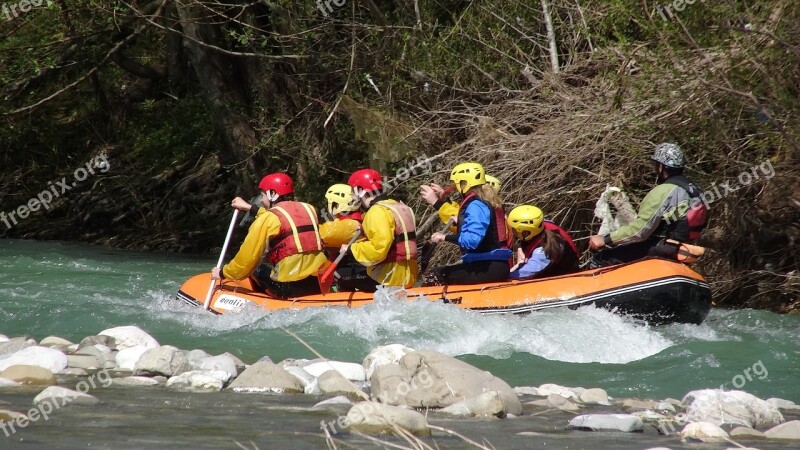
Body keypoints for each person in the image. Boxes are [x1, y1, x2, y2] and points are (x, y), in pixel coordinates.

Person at [211, 173, 329, 299]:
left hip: (288, 287)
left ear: (272, 194)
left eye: (263, 196)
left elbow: (247, 259)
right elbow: (282, 219)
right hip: (317, 283)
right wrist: (250, 208)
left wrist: (223, 273)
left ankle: (262, 301)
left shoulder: (268, 219)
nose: (262, 200)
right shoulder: (309, 209)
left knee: (256, 268)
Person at [588, 143, 707, 267]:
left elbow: (640, 230)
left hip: (660, 248)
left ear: (661, 167)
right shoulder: (696, 190)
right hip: (684, 248)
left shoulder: (664, 191)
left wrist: (606, 239)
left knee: (601, 258)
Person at [425, 163, 513, 285]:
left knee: (434, 275)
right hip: (492, 266)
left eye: (457, 184)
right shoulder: (482, 202)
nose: (456, 187)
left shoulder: (475, 205)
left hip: (487, 267)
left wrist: (444, 237)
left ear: (464, 184)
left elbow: (471, 241)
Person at [343, 169, 419, 289]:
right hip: (409, 275)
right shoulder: (399, 206)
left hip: (388, 277)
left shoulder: (376, 211)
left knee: (343, 277)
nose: (352, 197)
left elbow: (378, 249)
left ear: (360, 191)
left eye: (353, 192)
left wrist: (351, 250)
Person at [318, 183, 374, 292]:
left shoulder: (349, 224)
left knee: (337, 274)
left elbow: (320, 234)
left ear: (336, 204)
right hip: (364, 270)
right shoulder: (360, 218)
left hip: (360, 272)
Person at [507, 205, 579, 279]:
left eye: (514, 230)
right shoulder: (540, 228)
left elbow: (527, 272)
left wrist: (505, 276)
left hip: (566, 281)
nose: (513, 232)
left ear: (526, 231)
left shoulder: (544, 249)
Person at [420, 174, 502, 233]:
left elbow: (461, 221)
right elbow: (460, 213)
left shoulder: (482, 207)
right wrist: (444, 200)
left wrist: (436, 202)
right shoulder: (492, 207)